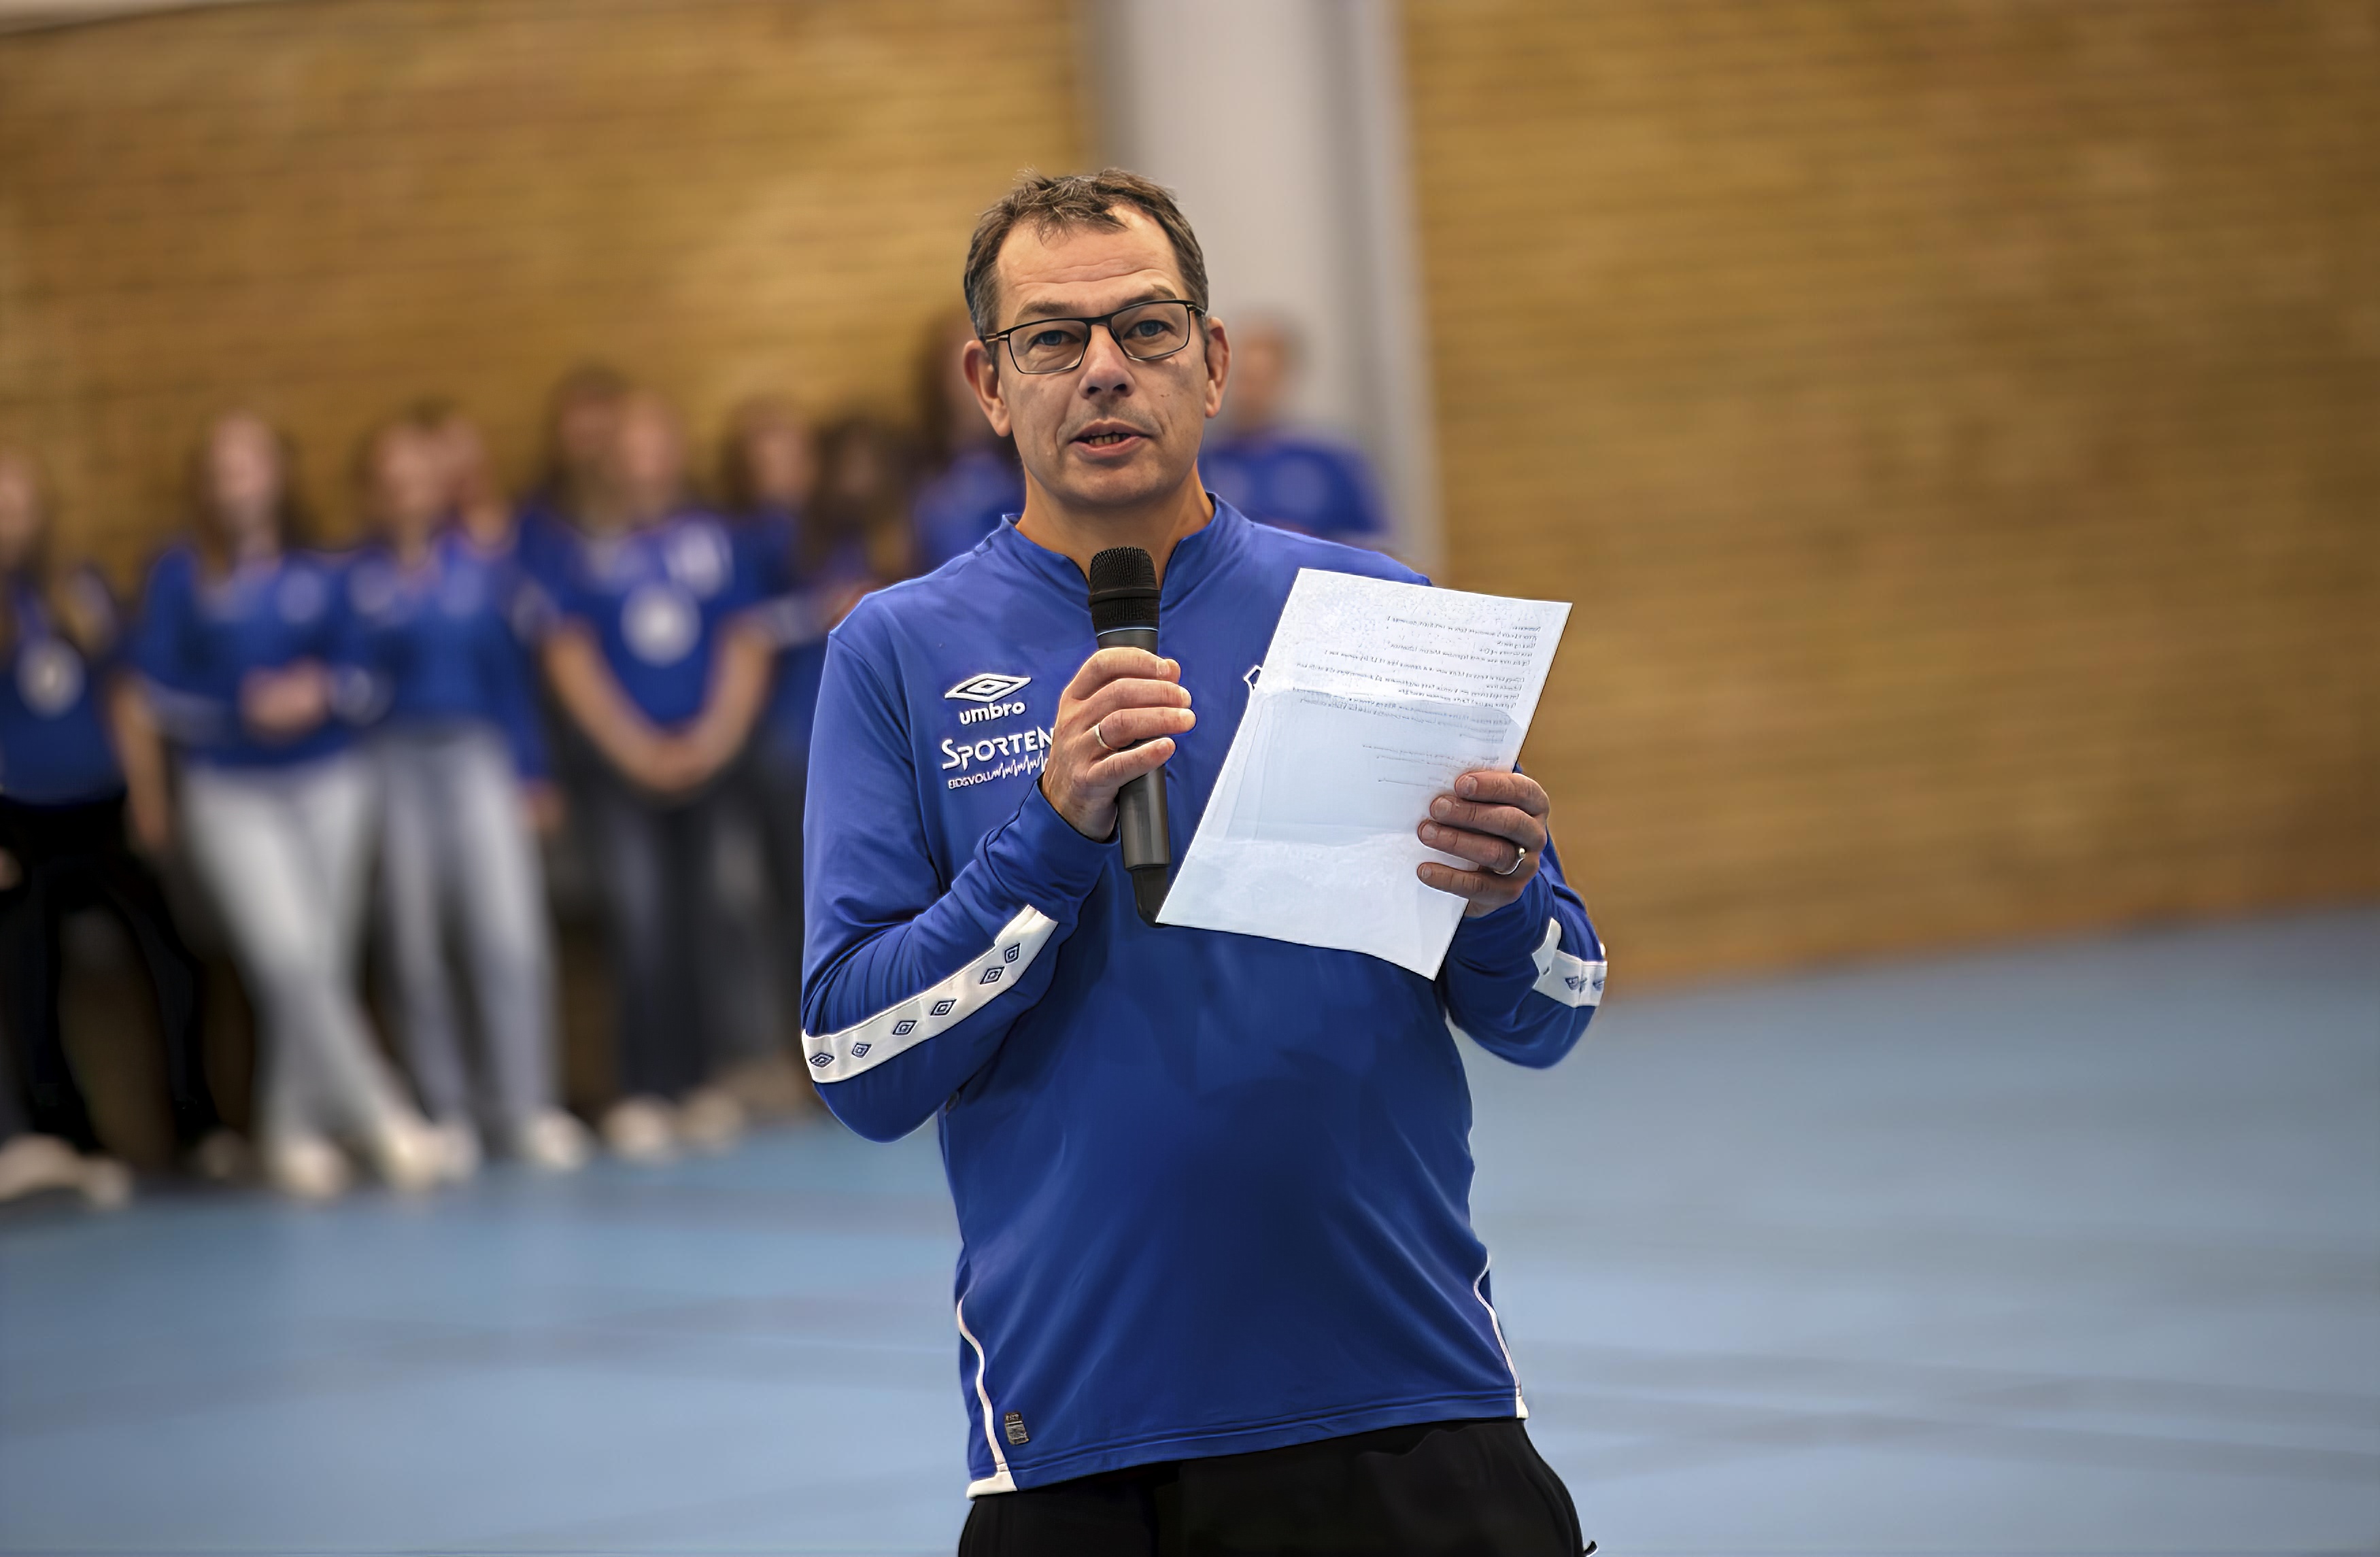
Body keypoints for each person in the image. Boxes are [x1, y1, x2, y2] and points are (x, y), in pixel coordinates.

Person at [801, 171, 1603, 1554]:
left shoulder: (1374, 612)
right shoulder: (895, 650)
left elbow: (1554, 1004)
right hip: (1087, 1445)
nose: (1104, 370)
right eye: (1053, 338)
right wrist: (1046, 840)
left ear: (1214, 362)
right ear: (988, 385)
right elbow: (856, 1061)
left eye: (1148, 329)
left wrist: (1502, 892)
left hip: (1411, 1408)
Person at [129, 413, 443, 1199]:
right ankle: (383, 1116)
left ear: (278, 475)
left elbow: (369, 673)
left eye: (252, 464)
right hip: (230, 788)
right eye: (223, 466)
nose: (238, 481)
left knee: (321, 964)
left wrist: (323, 690)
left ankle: (289, 1127)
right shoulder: (179, 574)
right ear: (206, 483)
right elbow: (154, 686)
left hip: (331, 779)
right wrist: (243, 703)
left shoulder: (326, 568)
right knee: (288, 956)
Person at [343, 413, 588, 1176]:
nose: (408, 492)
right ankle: (446, 1109)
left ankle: (526, 1105)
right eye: (392, 480)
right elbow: (348, 686)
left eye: (420, 476)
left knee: (508, 935)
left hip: (477, 755)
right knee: (414, 943)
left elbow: (510, 679)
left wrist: (531, 771)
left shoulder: (480, 567)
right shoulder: (354, 580)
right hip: (393, 762)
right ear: (373, 493)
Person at [539, 390, 772, 1161]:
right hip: (620, 774)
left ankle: (698, 1079)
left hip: (705, 761)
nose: (644, 464)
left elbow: (745, 641)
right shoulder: (582, 550)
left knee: (704, 914)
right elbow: (568, 655)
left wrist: (713, 738)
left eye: (656, 445)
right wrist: (631, 746)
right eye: (629, 449)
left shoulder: (712, 539)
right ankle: (642, 1086)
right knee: (639, 919)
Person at [0, 450, 218, 1208]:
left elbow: (126, 696)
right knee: (30, 971)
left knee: (173, 953)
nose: (9, 520)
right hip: (19, 817)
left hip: (100, 805)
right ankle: (72, 1141)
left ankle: (200, 1126)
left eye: (19, 503)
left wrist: (149, 796)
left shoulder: (78, 590)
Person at [1199, 315, 1393, 551]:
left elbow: (1373, 547)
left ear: (1283, 377)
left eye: (1258, 379)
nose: (1247, 393)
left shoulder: (1329, 462)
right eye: (1241, 379)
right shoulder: (1202, 462)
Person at [910, 308, 1025, 570]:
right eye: (971, 360)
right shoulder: (920, 473)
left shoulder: (1026, 456)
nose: (988, 371)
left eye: (992, 357)